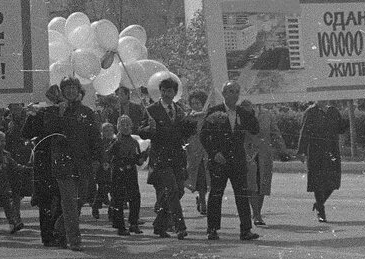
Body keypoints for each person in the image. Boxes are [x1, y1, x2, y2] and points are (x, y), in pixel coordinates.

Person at [199, 81, 260, 240]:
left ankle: (245, 229)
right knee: (216, 194)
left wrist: (251, 112)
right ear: (224, 93)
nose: (234, 94)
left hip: (238, 160)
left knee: (242, 194)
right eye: (231, 91)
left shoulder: (242, 112)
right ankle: (212, 229)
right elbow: (204, 136)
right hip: (219, 160)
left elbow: (255, 129)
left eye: (237, 92)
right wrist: (214, 153)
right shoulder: (215, 111)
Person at [46, 76, 100, 251]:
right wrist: (60, 114)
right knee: (69, 202)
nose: (70, 91)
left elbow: (95, 138)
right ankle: (74, 240)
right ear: (62, 91)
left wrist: (99, 159)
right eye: (66, 88)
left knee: (80, 200)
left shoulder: (87, 112)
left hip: (83, 163)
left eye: (73, 87)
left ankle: (60, 225)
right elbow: (49, 132)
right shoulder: (54, 111)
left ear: (79, 91)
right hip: (63, 164)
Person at [142, 77, 196, 239]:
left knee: (179, 190)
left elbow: (184, 134)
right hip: (160, 157)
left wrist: (191, 123)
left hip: (177, 157)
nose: (166, 94)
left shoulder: (180, 110)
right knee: (171, 190)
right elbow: (141, 131)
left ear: (174, 93)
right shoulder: (151, 110)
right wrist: (149, 128)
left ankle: (159, 224)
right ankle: (180, 226)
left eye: (169, 91)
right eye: (163, 91)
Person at [23, 85, 65, 247]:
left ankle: (58, 231)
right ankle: (47, 235)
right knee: (46, 200)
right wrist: (31, 116)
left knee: (62, 197)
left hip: (61, 158)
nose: (54, 97)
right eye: (51, 94)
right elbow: (26, 133)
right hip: (44, 159)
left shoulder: (66, 111)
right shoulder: (41, 112)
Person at [297, 101, 348, 222]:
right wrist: (301, 151)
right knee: (318, 182)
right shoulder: (311, 112)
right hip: (316, 151)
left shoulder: (333, 111)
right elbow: (304, 132)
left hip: (332, 150)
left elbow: (340, 128)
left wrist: (346, 121)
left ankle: (319, 203)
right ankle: (321, 210)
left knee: (333, 180)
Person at [241, 100, 284, 227]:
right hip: (247, 153)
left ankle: (257, 211)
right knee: (251, 182)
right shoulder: (239, 114)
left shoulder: (267, 114)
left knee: (262, 183)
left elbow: (275, 132)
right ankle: (256, 213)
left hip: (264, 153)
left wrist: (282, 149)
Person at [107, 115, 146, 235]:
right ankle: (120, 226)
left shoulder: (134, 142)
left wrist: (143, 156)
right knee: (118, 198)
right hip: (119, 171)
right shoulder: (115, 141)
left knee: (135, 197)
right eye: (122, 125)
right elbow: (108, 155)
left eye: (128, 125)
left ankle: (133, 223)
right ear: (118, 127)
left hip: (131, 171)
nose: (125, 127)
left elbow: (137, 159)